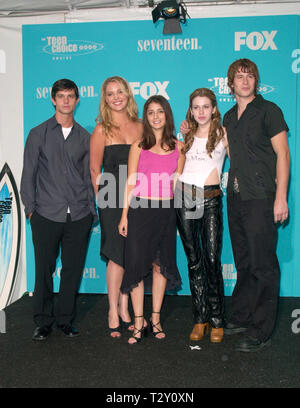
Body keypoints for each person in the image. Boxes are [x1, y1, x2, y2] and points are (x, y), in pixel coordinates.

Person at [20, 78, 96, 341]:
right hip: (46, 214)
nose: (65, 100)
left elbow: (90, 178)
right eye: (61, 96)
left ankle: (65, 320)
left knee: (72, 270)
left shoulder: (85, 137)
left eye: (70, 96)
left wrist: (90, 212)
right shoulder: (37, 133)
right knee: (44, 269)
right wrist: (31, 210)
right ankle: (42, 322)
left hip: (78, 215)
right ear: (53, 99)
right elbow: (28, 175)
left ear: (77, 100)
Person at [223, 59, 290, 352]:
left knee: (263, 265)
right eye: (239, 76)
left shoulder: (269, 110)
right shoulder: (227, 117)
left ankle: (261, 328)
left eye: (249, 76)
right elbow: (222, 148)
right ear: (231, 84)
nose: (245, 80)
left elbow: (283, 155)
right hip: (236, 197)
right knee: (243, 261)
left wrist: (280, 197)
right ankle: (242, 315)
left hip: (263, 197)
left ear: (256, 81)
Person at [118, 95, 184, 344]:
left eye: (160, 112)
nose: (156, 116)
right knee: (135, 267)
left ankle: (155, 319)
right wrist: (124, 215)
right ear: (146, 117)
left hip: (166, 213)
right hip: (139, 211)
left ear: (167, 115)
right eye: (150, 112)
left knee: (161, 265)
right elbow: (130, 182)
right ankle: (138, 323)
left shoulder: (179, 148)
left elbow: (178, 185)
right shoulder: (138, 146)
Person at [89, 76, 143, 338]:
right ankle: (112, 310)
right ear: (105, 99)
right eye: (110, 93)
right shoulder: (101, 130)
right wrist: (102, 202)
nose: (116, 97)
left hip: (138, 196)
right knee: (115, 254)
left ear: (128, 94)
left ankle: (125, 307)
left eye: (120, 91)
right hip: (110, 197)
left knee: (132, 253)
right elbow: (93, 170)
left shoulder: (141, 127)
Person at [176, 88, 228, 343]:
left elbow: (239, 160)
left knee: (211, 258)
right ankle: (200, 318)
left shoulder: (223, 133)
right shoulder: (184, 134)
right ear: (190, 110)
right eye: (196, 107)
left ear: (214, 108)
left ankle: (218, 319)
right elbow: (177, 164)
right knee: (194, 261)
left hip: (210, 200)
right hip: (184, 198)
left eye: (206, 106)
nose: (201, 111)